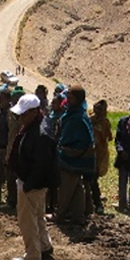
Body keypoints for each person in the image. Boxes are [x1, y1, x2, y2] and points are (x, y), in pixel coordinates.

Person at [8, 92, 57, 260]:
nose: (20, 117)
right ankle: (44, 245)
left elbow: (41, 164)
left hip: (32, 184)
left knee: (27, 220)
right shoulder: (35, 127)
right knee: (37, 216)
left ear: (34, 112)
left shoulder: (40, 133)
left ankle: (32, 255)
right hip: (34, 183)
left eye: (24, 114)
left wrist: (29, 185)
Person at [53, 85, 94, 224]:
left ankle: (60, 214)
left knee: (66, 188)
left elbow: (84, 139)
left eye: (71, 98)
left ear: (78, 99)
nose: (67, 101)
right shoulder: (74, 114)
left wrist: (71, 150)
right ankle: (78, 216)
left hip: (72, 159)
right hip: (73, 158)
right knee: (77, 189)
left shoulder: (78, 118)